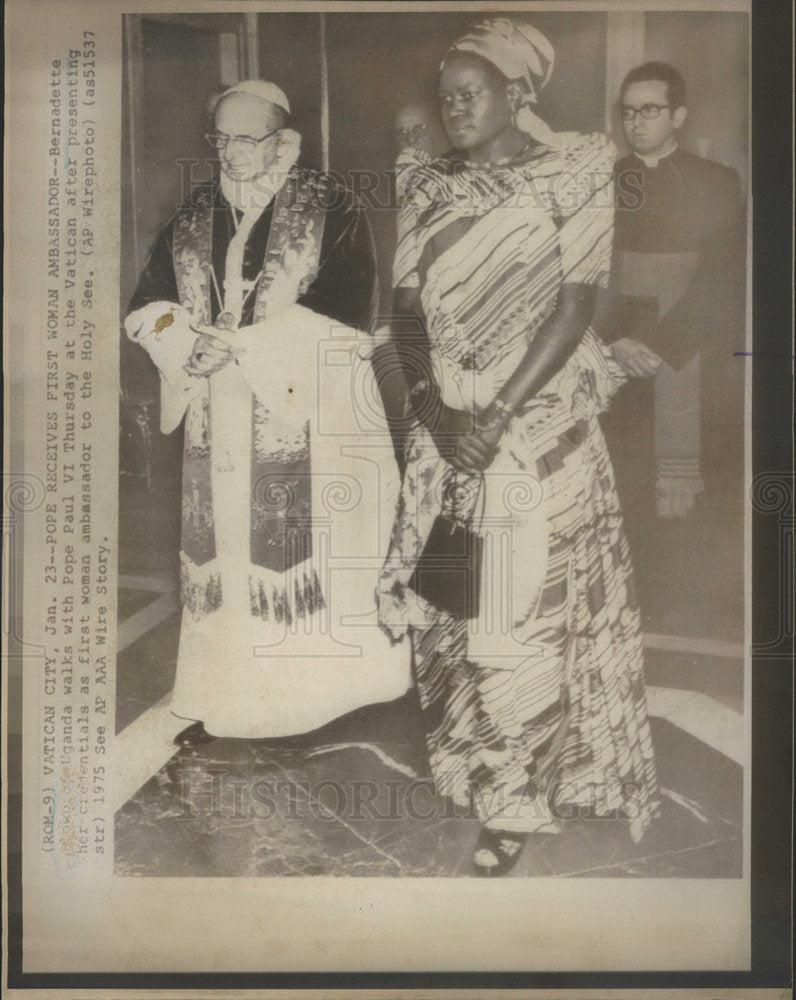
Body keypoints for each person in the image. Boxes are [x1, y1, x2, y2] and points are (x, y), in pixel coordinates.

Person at [378, 19, 659, 876]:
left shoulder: (575, 170)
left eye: (473, 93)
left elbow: (576, 306)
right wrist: (437, 412)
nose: (455, 108)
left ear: (518, 94)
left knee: (526, 617)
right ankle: (475, 764)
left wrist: (496, 415)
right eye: (446, 96)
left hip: (536, 428)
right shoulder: (426, 180)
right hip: (448, 432)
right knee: (456, 610)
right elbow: (405, 312)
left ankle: (517, 802)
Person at [125, 80, 410, 747]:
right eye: (220, 138)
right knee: (229, 557)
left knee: (324, 553)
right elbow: (148, 302)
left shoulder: (329, 204)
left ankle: (322, 701)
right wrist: (185, 345)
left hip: (316, 412)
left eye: (244, 139)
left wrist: (247, 346)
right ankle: (227, 700)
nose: (229, 151)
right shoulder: (196, 213)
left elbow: (349, 307)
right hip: (220, 414)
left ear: (283, 141)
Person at [603, 62, 745, 518]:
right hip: (617, 351)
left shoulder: (716, 180)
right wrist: (616, 337)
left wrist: (663, 344)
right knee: (625, 491)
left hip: (691, 347)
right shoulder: (601, 180)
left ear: (678, 116)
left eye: (650, 110)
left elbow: (723, 276)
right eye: (628, 112)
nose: (636, 122)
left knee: (691, 512)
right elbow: (588, 272)